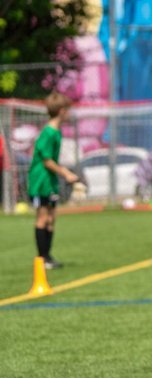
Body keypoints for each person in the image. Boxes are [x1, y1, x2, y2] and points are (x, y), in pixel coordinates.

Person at [28, 91, 80, 269]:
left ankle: (47, 257)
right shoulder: (48, 132)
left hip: (50, 180)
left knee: (51, 218)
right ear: (61, 111)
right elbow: (46, 160)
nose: (69, 113)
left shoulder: (56, 132)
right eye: (67, 110)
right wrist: (65, 173)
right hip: (41, 180)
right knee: (43, 217)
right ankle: (41, 259)